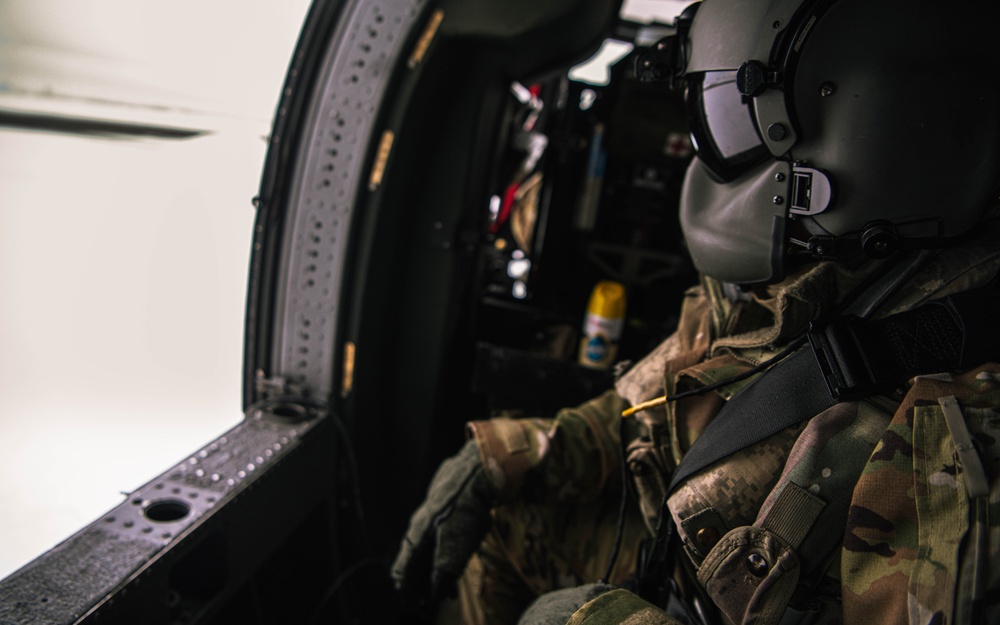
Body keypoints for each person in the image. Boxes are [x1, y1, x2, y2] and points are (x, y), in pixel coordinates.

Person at [392, 0, 1000, 623]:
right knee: (505, 521)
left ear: (871, 116)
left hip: (693, 598)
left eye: (738, 117)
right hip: (671, 550)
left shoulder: (961, 420)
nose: (701, 151)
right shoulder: (804, 275)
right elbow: (645, 413)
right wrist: (507, 454)